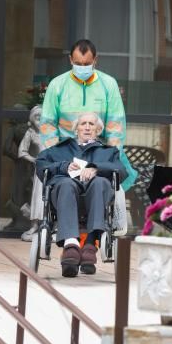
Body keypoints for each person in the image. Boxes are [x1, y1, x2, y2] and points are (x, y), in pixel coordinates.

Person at [36, 112, 127, 277]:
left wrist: (96, 168)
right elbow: (41, 166)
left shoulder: (108, 152)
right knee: (65, 183)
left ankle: (91, 244)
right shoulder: (60, 149)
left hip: (96, 194)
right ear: (76, 128)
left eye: (91, 124)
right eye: (83, 123)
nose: (87, 127)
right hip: (65, 194)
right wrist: (64, 167)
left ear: (98, 130)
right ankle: (71, 245)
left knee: (100, 182)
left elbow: (121, 171)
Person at [39, 38, 136, 189]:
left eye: (86, 64)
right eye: (78, 64)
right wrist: (58, 158)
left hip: (99, 152)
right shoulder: (57, 85)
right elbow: (47, 124)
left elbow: (115, 125)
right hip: (66, 152)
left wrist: (108, 159)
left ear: (95, 60)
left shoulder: (108, 84)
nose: (82, 67)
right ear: (70, 59)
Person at [1, 105, 43, 237]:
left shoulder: (16, 129)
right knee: (31, 193)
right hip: (32, 164)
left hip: (25, 166)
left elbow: (6, 148)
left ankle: (23, 221)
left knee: (20, 194)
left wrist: (17, 159)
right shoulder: (29, 131)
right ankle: (27, 222)